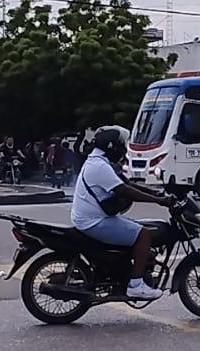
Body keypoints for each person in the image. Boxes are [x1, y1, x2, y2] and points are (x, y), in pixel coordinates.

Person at [72, 126, 175, 300]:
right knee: (144, 234)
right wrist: (159, 201)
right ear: (112, 146)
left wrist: (156, 193)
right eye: (121, 145)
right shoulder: (100, 166)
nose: (123, 149)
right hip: (94, 222)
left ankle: (128, 271)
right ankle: (136, 285)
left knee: (136, 226)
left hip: (92, 218)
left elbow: (126, 183)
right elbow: (125, 190)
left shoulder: (98, 161)